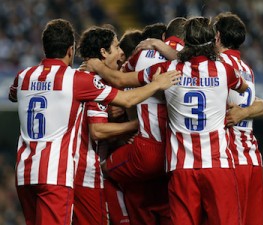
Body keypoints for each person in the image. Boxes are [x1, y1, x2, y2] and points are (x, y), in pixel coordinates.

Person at [8, 18, 180, 225]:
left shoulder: (23, 76)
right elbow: (110, 116)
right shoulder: (80, 81)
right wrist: (156, 86)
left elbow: (13, 95)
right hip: (60, 172)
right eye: (116, 47)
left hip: (24, 172)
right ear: (70, 51)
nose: (121, 53)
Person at [136, 16, 248, 225]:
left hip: (182, 166)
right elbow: (242, 87)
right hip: (218, 165)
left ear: (184, 42)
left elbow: (122, 80)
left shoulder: (168, 70)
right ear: (214, 40)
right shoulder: (225, 70)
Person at [73, 26, 140, 225]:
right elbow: (97, 131)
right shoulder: (91, 81)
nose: (121, 53)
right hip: (87, 171)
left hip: (84, 169)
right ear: (103, 52)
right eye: (117, 46)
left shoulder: (93, 79)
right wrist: (136, 125)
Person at [213, 12, 263, 225]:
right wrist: (246, 112)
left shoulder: (217, 65)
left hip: (231, 160)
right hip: (253, 158)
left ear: (217, 36)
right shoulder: (247, 69)